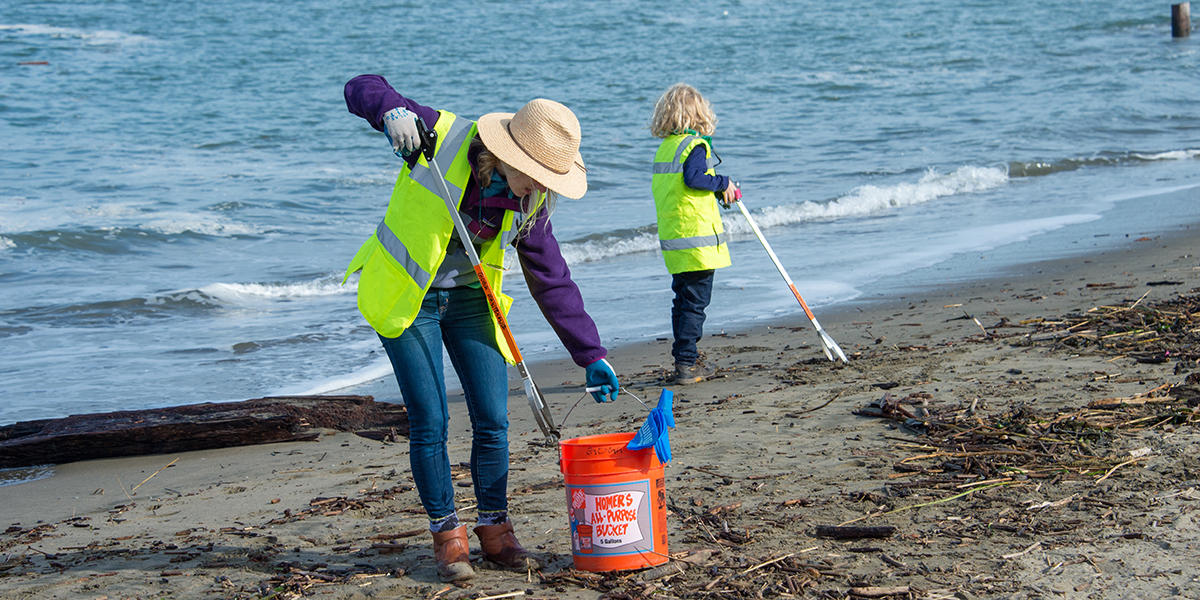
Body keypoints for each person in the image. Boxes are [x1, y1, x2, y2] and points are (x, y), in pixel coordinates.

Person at [342, 74, 620, 582]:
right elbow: (362, 85)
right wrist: (390, 115)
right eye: (536, 174)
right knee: (431, 421)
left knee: (493, 417)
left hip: (473, 300)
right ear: (510, 155)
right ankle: (448, 537)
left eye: (548, 178)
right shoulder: (437, 136)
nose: (540, 186)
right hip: (407, 300)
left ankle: (496, 531)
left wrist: (591, 354)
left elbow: (552, 280)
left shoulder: (530, 203)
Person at [649, 83, 739, 385]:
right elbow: (695, 178)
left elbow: (683, 185)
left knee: (683, 300)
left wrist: (716, 189)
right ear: (699, 114)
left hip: (676, 240)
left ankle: (683, 357)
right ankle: (687, 362)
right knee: (695, 303)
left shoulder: (666, 148)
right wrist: (723, 181)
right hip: (697, 241)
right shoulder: (695, 146)